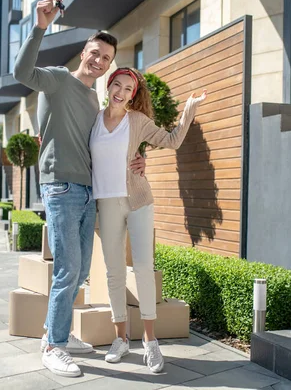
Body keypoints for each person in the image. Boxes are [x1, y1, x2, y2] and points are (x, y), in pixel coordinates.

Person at [13, 0, 146, 378]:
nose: (98, 61)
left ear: (109, 65)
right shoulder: (57, 79)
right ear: (83, 53)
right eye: (94, 53)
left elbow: (106, 144)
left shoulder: (95, 99)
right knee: (68, 269)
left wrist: (138, 158)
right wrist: (40, 26)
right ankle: (53, 345)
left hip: (89, 191)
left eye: (106, 58)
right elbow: (23, 71)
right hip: (61, 188)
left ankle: (58, 333)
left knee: (81, 267)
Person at [90, 67, 207, 373]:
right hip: (106, 203)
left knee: (142, 268)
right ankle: (121, 339)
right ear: (108, 86)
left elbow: (171, 140)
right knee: (114, 272)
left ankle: (150, 342)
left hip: (139, 200)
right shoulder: (93, 120)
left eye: (128, 88)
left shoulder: (137, 121)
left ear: (134, 94)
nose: (121, 92)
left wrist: (189, 110)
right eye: (117, 84)